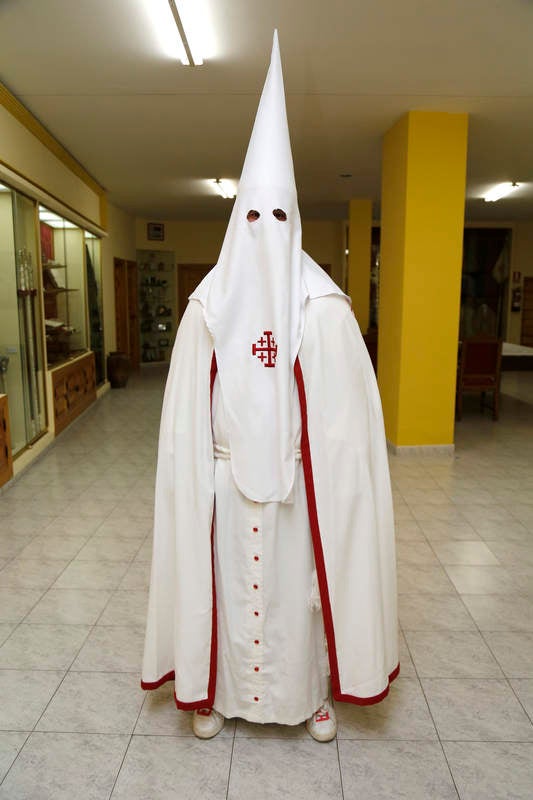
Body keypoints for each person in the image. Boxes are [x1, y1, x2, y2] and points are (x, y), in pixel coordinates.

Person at [141, 31, 399, 742]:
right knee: (223, 590)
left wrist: (323, 477)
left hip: (297, 491)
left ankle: (309, 697)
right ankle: (217, 694)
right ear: (234, 220)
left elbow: (347, 428)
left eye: (276, 216)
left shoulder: (324, 306)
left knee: (301, 596)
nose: (263, 231)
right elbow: (185, 421)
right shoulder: (205, 307)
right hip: (223, 487)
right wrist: (195, 483)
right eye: (250, 216)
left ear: (296, 222)